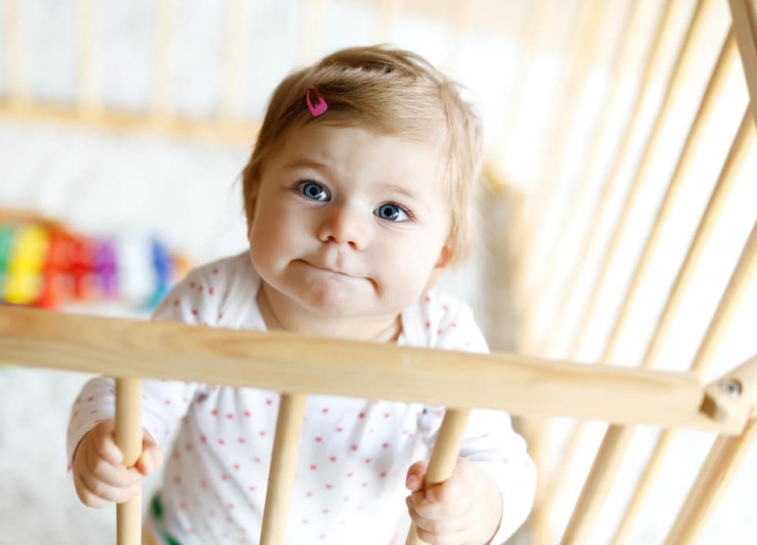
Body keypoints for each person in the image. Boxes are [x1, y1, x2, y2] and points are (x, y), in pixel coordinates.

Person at [67, 45, 536, 545]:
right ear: (252, 201)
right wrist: (106, 443)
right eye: (313, 190)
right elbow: (131, 387)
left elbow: (503, 459)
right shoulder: (213, 301)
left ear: (440, 256)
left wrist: (479, 501)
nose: (343, 229)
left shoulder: (440, 338)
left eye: (392, 211)